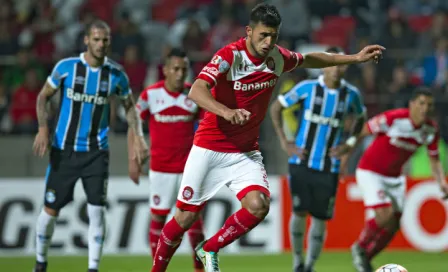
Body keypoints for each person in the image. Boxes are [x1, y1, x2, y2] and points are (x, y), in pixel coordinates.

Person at [150, 3, 384, 272]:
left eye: (273, 35)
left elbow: (312, 59)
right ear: (249, 32)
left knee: (258, 206)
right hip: (209, 147)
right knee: (184, 218)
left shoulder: (277, 58)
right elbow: (197, 91)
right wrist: (225, 111)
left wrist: (355, 58)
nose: (268, 41)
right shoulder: (230, 56)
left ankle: (209, 248)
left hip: (245, 153)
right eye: (263, 35)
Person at [32, 20, 148, 272]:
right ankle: (40, 262)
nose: (100, 44)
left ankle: (93, 268)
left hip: (97, 153)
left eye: (105, 39)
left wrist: (137, 135)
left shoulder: (116, 74)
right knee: (49, 211)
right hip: (64, 150)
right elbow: (43, 96)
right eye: (96, 39)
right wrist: (43, 128)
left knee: (97, 211)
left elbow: (130, 107)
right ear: (86, 40)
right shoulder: (66, 68)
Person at [269, 46, 367, 272]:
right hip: (301, 162)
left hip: (329, 166)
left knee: (320, 218)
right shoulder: (307, 88)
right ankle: (297, 262)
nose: (336, 68)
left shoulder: (351, 94)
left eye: (341, 63)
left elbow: (361, 118)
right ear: (324, 65)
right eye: (332, 62)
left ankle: (310, 266)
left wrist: (349, 144)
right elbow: (276, 107)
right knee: (299, 212)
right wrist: (285, 141)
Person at [350, 87, 448, 272]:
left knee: (394, 223)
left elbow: (434, 159)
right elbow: (363, 131)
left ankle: (366, 260)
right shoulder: (394, 118)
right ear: (411, 104)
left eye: (429, 105)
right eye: (421, 103)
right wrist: (345, 156)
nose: (425, 108)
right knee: (384, 215)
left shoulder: (430, 129)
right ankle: (360, 247)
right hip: (370, 171)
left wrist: (442, 182)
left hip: (394, 178)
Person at [130, 48, 205, 272]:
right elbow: (134, 123)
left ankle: (199, 267)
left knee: (193, 219)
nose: (180, 73)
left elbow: (206, 128)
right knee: (159, 217)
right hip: (161, 168)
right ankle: (157, 267)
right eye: (176, 69)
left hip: (189, 169)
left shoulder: (194, 94)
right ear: (165, 70)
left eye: (184, 69)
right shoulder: (150, 95)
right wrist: (134, 158)